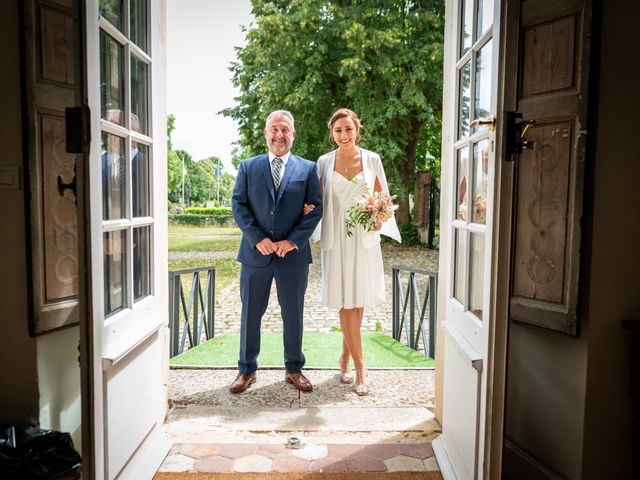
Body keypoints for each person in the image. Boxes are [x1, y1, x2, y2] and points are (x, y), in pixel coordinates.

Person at [230, 110, 323, 394]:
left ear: (293, 134)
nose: (279, 135)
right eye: (274, 129)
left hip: (292, 257)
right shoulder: (248, 166)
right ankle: (246, 370)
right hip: (255, 255)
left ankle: (294, 369)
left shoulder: (308, 169)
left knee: (293, 313)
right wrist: (257, 238)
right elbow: (239, 205)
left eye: (285, 130)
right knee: (250, 314)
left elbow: (315, 208)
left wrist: (293, 241)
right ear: (266, 133)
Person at [313, 108, 401, 396]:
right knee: (344, 301)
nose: (343, 135)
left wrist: (378, 213)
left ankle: (345, 359)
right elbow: (316, 200)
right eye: (338, 130)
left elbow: (383, 200)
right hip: (336, 238)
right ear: (332, 133)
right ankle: (361, 366)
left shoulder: (372, 159)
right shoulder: (323, 162)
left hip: (363, 238)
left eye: (348, 129)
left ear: (357, 130)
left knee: (358, 300)